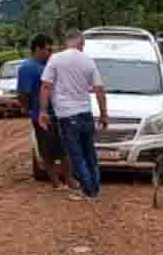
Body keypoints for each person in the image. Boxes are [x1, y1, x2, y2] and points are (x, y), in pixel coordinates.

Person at [38, 30, 109, 201]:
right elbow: (99, 89)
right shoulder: (89, 61)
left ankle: (89, 192)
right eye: (83, 44)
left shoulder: (55, 59)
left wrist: (43, 111)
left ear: (67, 42)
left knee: (76, 156)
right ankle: (95, 189)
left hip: (67, 116)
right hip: (86, 114)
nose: (84, 47)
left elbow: (46, 86)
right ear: (80, 42)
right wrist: (104, 114)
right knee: (90, 154)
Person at [17, 34, 77, 191]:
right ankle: (56, 182)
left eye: (52, 50)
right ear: (37, 49)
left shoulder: (51, 64)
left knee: (65, 148)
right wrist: (31, 111)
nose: (51, 53)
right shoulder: (27, 68)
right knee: (47, 150)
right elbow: (23, 94)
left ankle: (69, 179)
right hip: (42, 117)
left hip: (60, 114)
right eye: (48, 49)